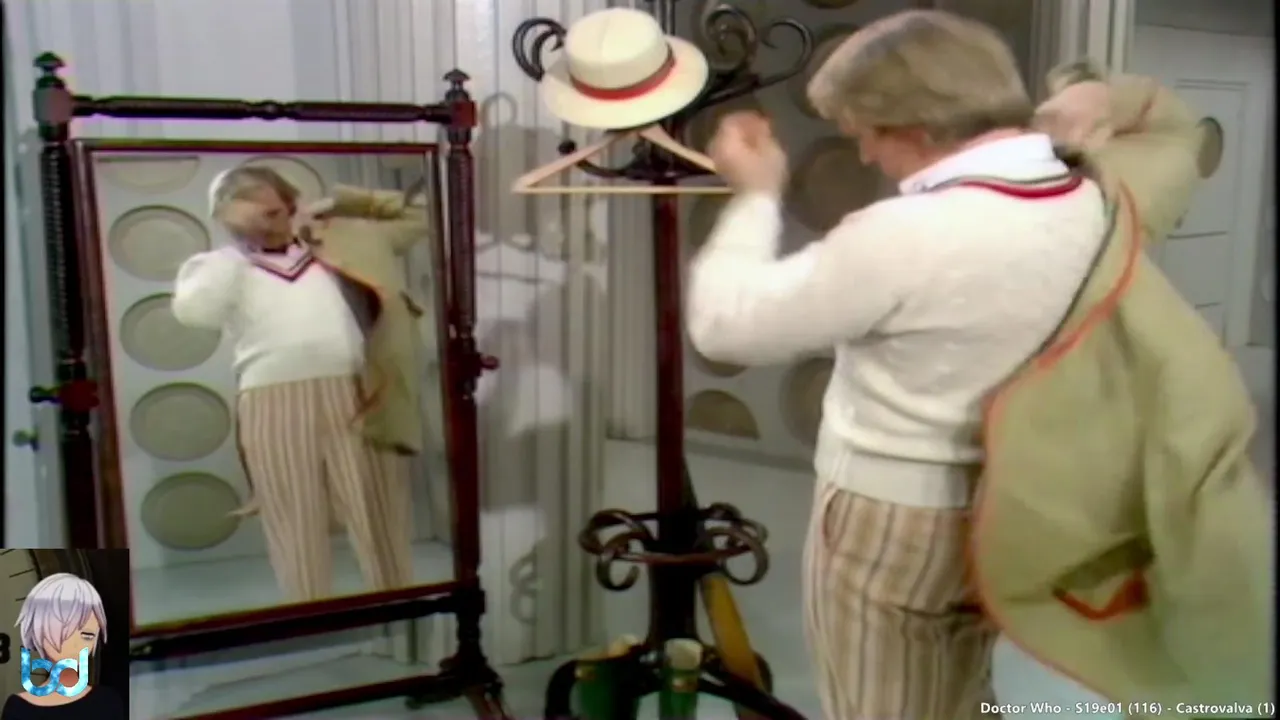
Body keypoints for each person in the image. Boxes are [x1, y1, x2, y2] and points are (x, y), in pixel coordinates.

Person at [685, 8, 1240, 720]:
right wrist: (1102, 94)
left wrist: (755, 196)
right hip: (1024, 507)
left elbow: (725, 327)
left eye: (866, 133)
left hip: (896, 518)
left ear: (917, 126)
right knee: (962, 694)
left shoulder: (904, 235)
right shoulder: (1100, 200)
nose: (864, 156)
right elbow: (1177, 133)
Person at [171, 168, 426, 602]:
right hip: (272, 399)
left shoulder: (342, 242)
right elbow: (194, 314)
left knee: (376, 504)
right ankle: (308, 607)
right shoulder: (219, 266)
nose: (265, 223)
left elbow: (421, 215)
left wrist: (340, 202)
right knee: (293, 512)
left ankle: (395, 603)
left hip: (355, 389)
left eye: (274, 211)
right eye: (248, 213)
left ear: (291, 204)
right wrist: (235, 252)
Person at [2, 574, 124, 720]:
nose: (75, 644)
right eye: (64, 632)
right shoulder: (18, 708)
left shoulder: (109, 701)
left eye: (87, 635)